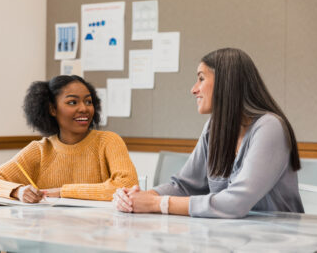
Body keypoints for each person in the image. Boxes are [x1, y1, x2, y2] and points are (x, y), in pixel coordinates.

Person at [113, 48, 304, 218]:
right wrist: (141, 197)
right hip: (233, 238)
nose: (193, 89)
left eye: (201, 78)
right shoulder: (214, 128)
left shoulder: (270, 127)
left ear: (225, 83)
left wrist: (158, 204)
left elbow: (234, 204)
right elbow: (185, 185)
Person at [0, 75, 138, 203]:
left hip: (99, 236)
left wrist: (62, 192)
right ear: (52, 109)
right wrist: (17, 191)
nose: (84, 108)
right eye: (72, 102)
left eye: (88, 101)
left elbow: (127, 186)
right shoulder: (39, 150)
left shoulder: (109, 141)